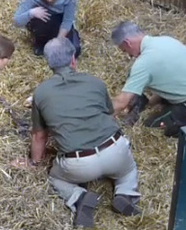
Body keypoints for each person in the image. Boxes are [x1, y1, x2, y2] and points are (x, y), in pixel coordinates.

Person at [24, 37, 141, 228]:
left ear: (48, 63)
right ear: (73, 59)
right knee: (128, 171)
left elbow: (39, 136)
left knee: (55, 178)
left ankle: (79, 198)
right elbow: (109, 115)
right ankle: (126, 194)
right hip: (114, 148)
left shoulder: (41, 93)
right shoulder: (95, 82)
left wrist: (34, 163)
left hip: (78, 162)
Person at [109, 21, 186, 149]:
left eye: (124, 50)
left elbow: (122, 102)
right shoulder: (166, 40)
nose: (128, 56)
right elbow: (168, 80)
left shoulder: (144, 63)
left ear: (128, 43)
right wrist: (150, 105)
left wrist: (105, 117)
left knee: (152, 125)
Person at [13, 0, 81, 57]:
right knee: (41, 52)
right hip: (42, 21)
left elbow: (67, 21)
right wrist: (31, 13)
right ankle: (40, 42)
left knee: (74, 51)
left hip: (60, 21)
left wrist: (58, 41)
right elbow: (16, 21)